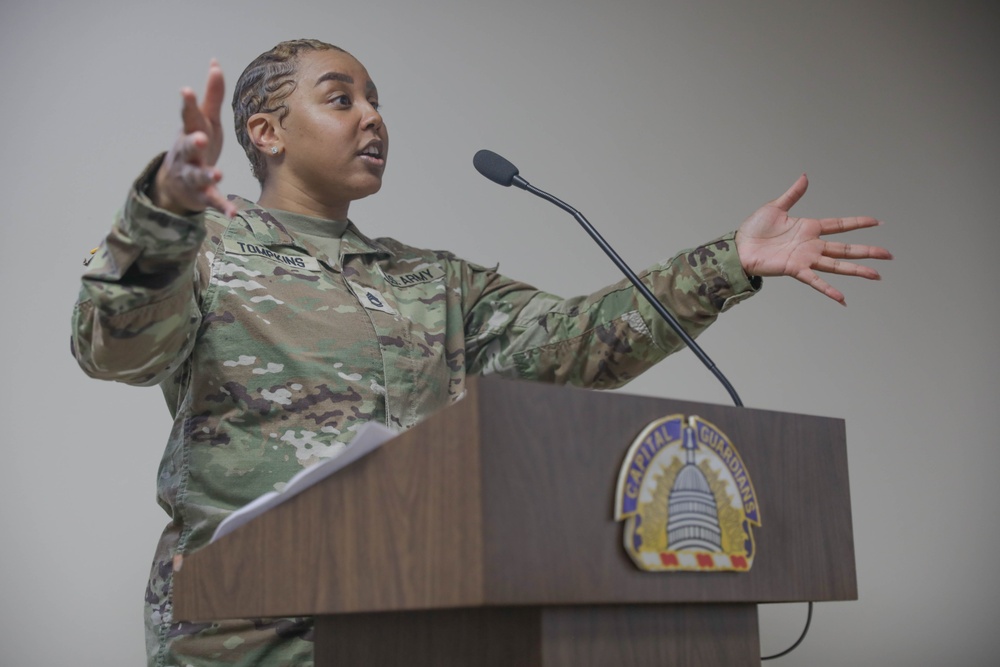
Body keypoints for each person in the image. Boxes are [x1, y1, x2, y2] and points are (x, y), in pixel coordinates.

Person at [71, 39, 891, 667]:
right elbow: (113, 348)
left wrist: (730, 263)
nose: (372, 116)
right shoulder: (206, 247)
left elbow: (576, 341)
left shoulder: (435, 280)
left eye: (377, 100)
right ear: (266, 131)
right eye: (341, 98)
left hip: (419, 627)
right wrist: (165, 209)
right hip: (248, 638)